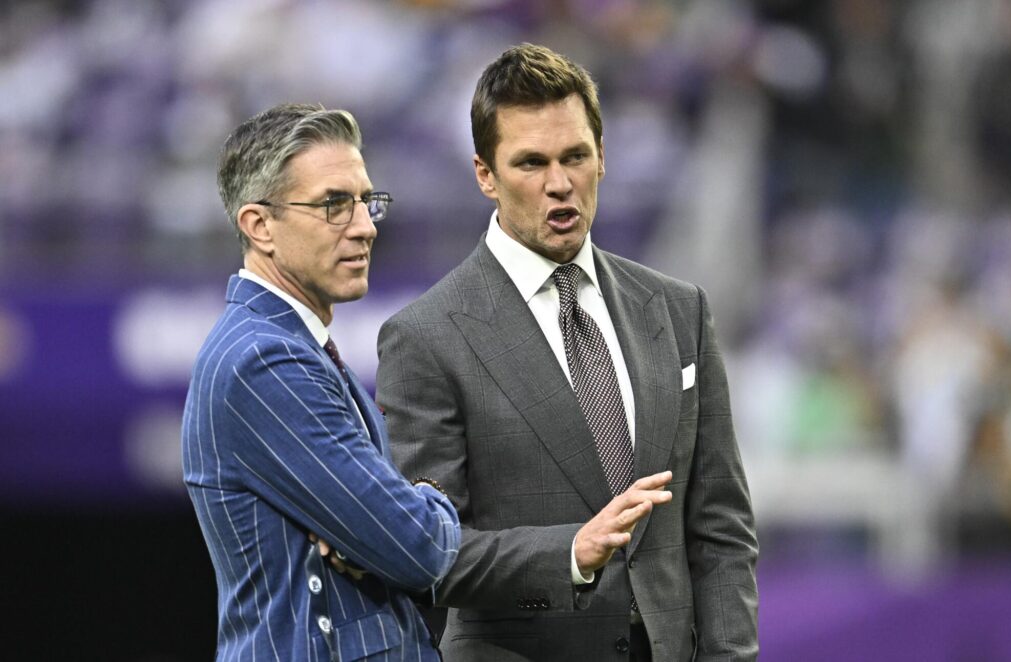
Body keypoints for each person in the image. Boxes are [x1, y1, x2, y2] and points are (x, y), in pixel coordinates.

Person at [376, 44, 758, 661]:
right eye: (530, 163)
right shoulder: (425, 338)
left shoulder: (679, 309)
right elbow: (427, 553)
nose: (560, 184)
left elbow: (721, 530)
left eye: (575, 156)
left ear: (602, 158)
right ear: (485, 174)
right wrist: (569, 554)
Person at [182, 103, 460, 662]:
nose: (364, 226)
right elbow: (419, 548)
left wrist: (387, 515)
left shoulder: (290, 344)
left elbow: (397, 536)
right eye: (334, 204)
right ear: (259, 226)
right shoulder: (262, 361)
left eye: (365, 201)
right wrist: (426, 503)